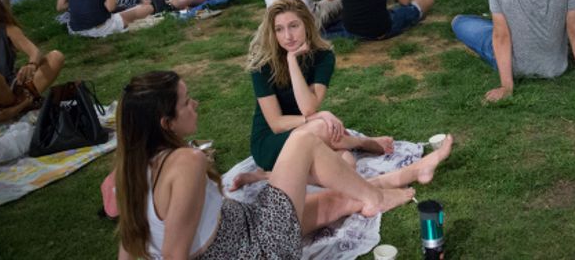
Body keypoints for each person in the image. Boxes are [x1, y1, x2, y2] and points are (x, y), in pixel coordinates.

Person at [115, 71, 453, 260]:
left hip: (245, 226)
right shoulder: (186, 162)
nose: (196, 105)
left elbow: (129, 248)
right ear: (165, 123)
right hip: (254, 247)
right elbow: (175, 256)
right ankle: (378, 196)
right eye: (186, 102)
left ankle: (414, 172)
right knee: (306, 141)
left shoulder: (130, 169)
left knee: (340, 200)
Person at [246, 0, 393, 173]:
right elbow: (276, 124)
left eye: (294, 26)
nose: (288, 36)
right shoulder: (263, 65)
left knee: (346, 163)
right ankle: (360, 142)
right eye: (279, 29)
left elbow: (308, 107)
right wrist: (316, 117)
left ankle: (264, 178)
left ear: (307, 25)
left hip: (306, 130)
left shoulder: (323, 56)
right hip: (271, 141)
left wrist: (292, 62)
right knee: (322, 126)